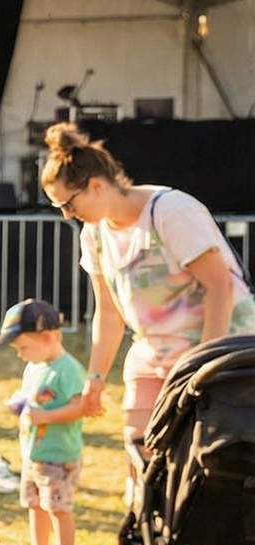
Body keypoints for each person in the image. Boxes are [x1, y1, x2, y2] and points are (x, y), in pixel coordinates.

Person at [41, 124, 255, 448]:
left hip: (222, 355)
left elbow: (220, 286)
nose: (67, 215)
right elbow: (108, 313)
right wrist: (95, 378)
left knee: (207, 457)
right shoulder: (94, 234)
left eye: (68, 204)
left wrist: (202, 368)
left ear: (96, 186)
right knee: (141, 448)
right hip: (154, 355)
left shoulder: (170, 211)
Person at [0, 299, 87, 545]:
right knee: (35, 504)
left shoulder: (68, 369)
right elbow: (32, 398)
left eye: (23, 347)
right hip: (34, 454)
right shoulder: (34, 367)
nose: (20, 355)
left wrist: (46, 416)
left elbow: (80, 407)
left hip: (59, 455)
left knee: (57, 508)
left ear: (48, 337)